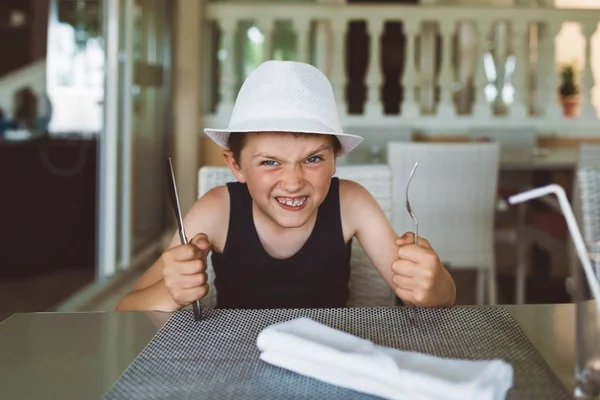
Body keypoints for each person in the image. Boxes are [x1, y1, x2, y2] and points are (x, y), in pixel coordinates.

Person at [116, 60, 455, 312]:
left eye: (312, 160)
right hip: (234, 362)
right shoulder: (216, 210)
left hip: (330, 359)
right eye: (269, 162)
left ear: (335, 160)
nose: (293, 183)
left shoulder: (352, 202)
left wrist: (432, 282)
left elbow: (438, 296)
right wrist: (171, 293)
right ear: (236, 165)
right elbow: (125, 310)